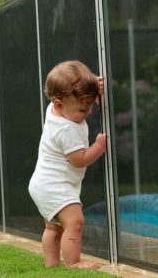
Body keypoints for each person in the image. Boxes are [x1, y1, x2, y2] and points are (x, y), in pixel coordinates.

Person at [28, 60, 106, 269]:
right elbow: (79, 160)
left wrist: (92, 86)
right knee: (75, 222)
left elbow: (71, 89)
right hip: (54, 185)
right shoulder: (65, 129)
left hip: (43, 184)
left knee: (54, 228)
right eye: (82, 109)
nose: (87, 112)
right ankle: (74, 263)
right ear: (60, 104)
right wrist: (99, 147)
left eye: (90, 104)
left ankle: (51, 265)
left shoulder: (55, 108)